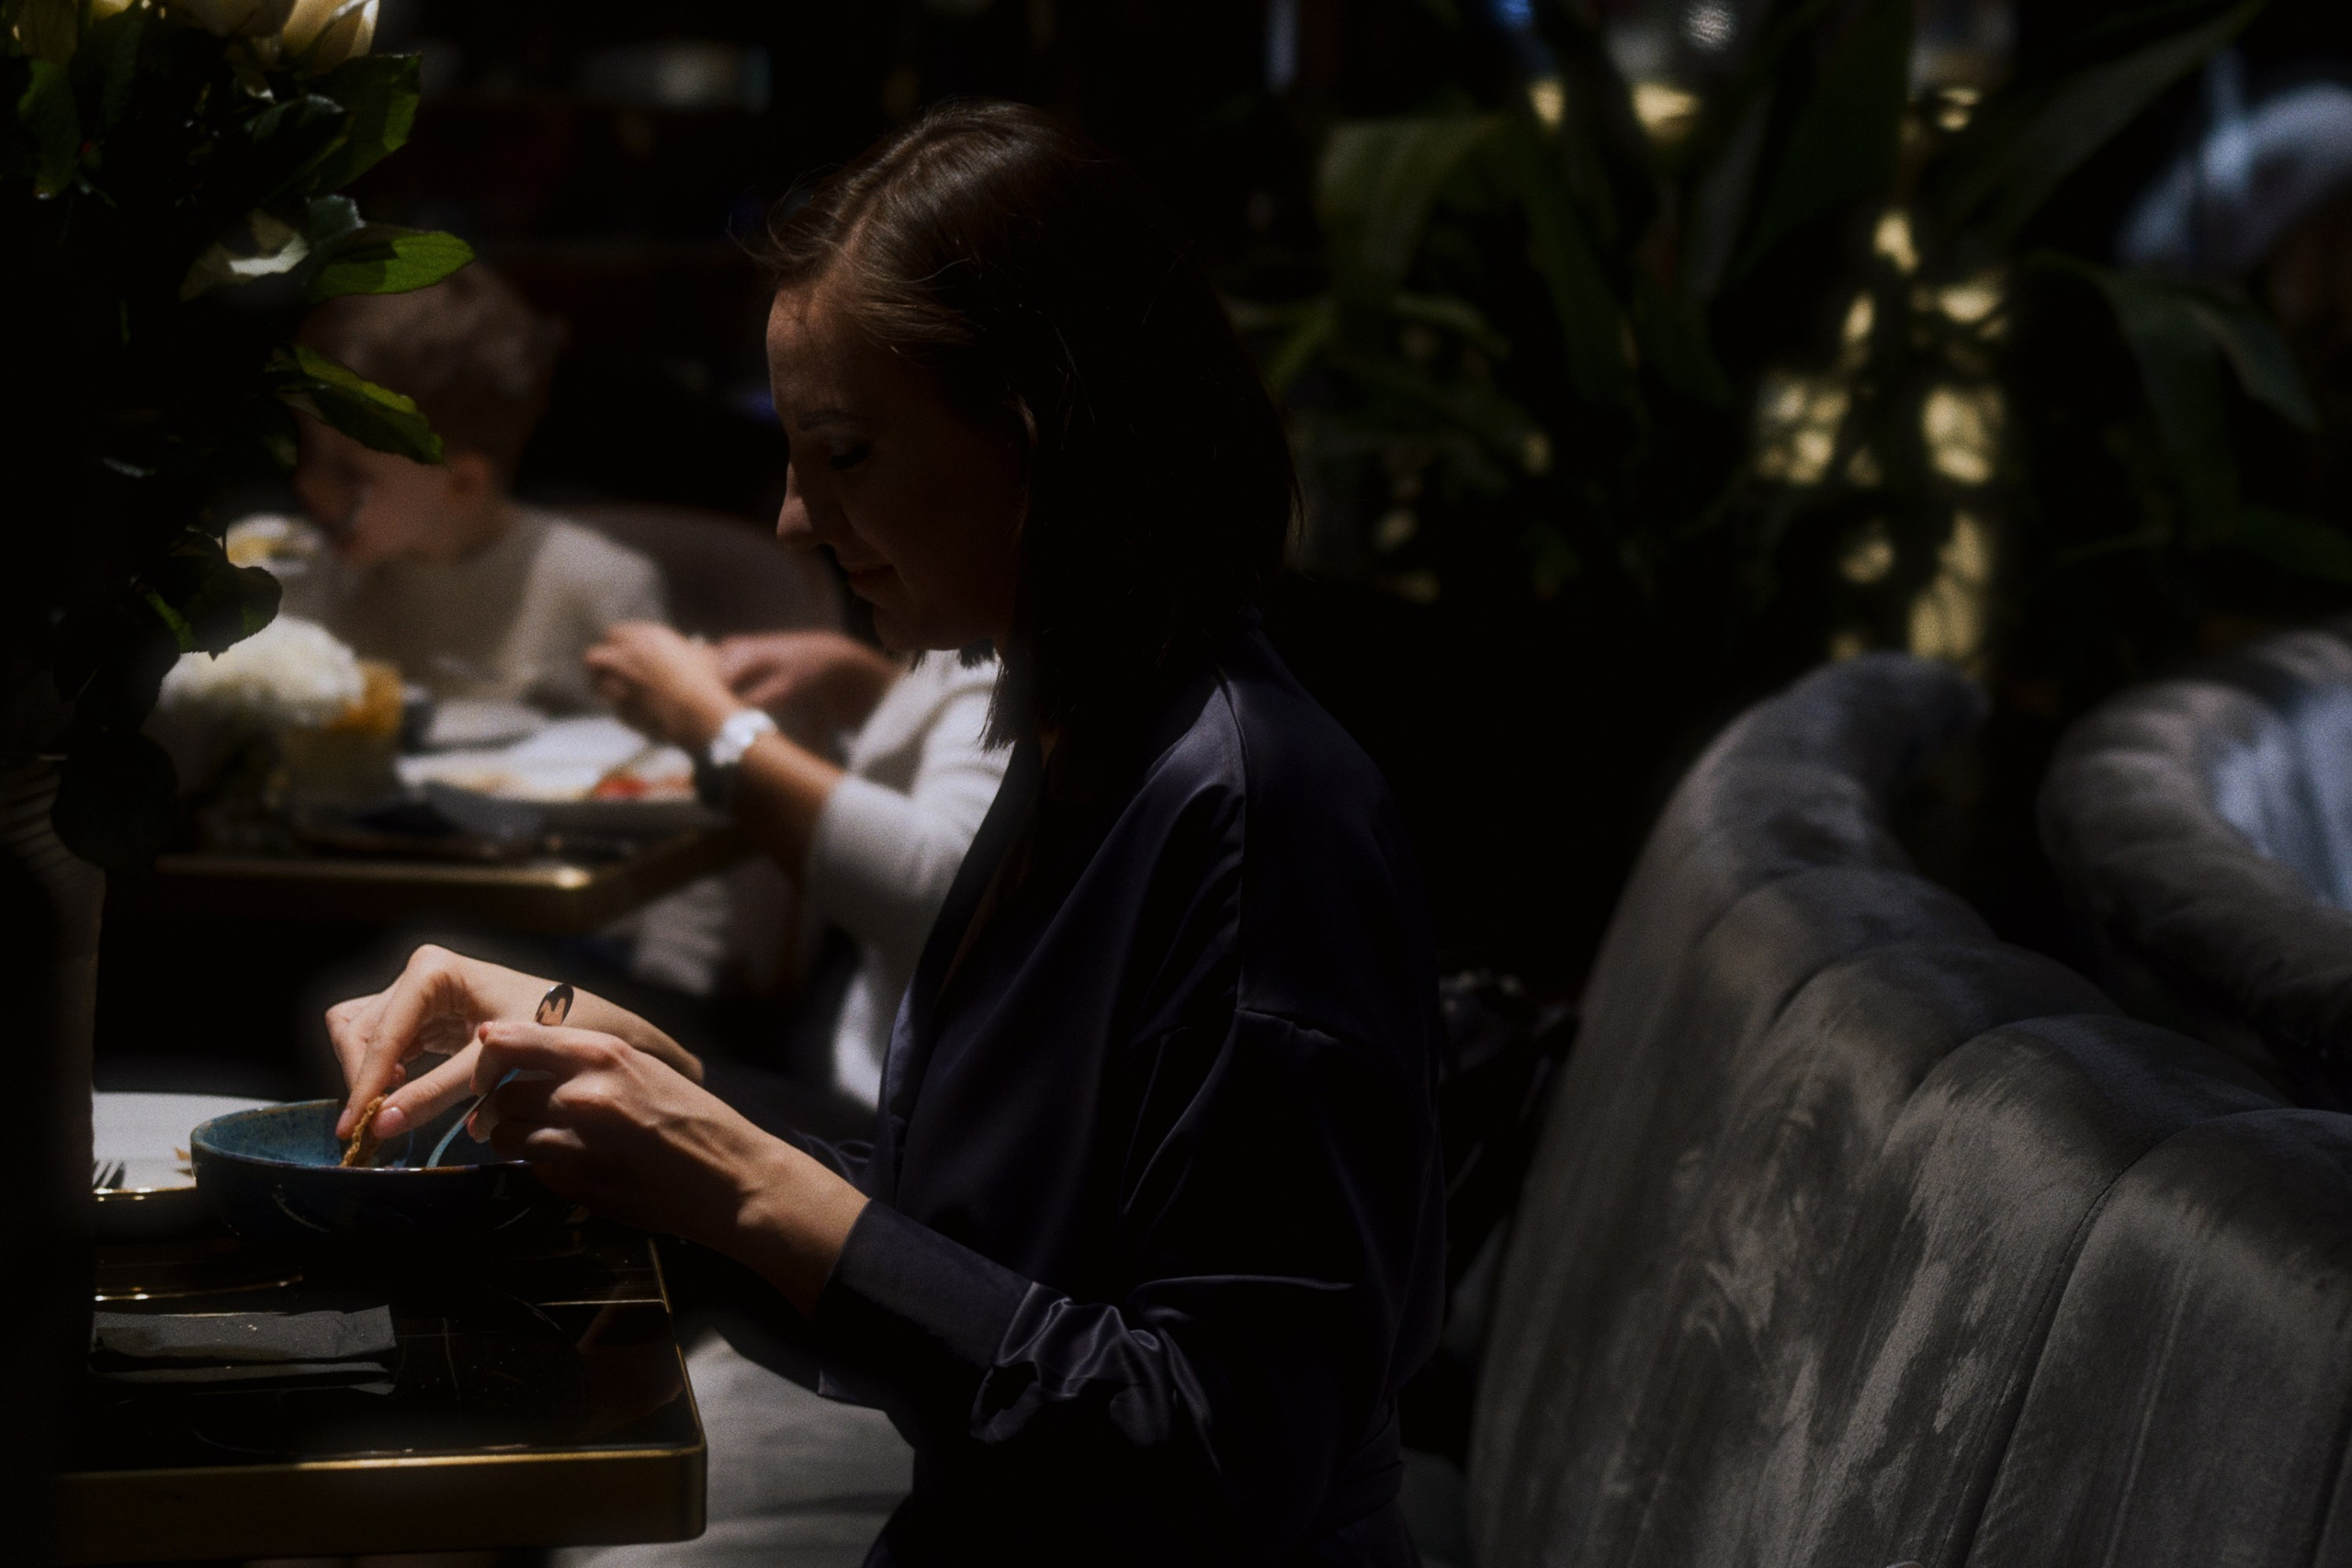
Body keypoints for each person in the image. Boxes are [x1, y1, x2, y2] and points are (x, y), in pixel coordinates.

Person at [324, 101, 1444, 1566]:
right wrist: (628, 1069)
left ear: (1044, 442)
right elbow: (967, 1243)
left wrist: (737, 1174)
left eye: (843, 452)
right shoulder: (1085, 738)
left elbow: (1218, 1459)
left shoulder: (1258, 808)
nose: (796, 519)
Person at [583, 623, 1008, 1106]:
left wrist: (708, 720)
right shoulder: (987, 635)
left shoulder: (1026, 645)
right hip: (874, 1051)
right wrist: (871, 688)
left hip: (921, 1107)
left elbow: (947, 892)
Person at [272, 265, 666, 715]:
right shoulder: (310, 574)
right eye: (310, 451)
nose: (308, 484)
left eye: (349, 473)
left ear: (463, 485)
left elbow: (660, 745)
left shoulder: (599, 592)